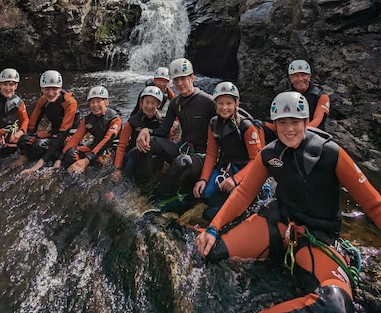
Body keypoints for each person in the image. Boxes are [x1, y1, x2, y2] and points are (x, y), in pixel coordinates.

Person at [196, 91, 381, 313]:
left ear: (306, 121)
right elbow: (244, 193)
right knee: (212, 253)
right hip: (278, 223)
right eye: (282, 123)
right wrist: (213, 228)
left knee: (335, 307)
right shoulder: (269, 154)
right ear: (274, 124)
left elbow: (373, 205)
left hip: (316, 237)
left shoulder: (331, 153)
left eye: (295, 122)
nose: (289, 129)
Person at [136, 58, 216, 197]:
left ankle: (162, 196)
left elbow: (231, 115)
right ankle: (144, 185)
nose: (179, 83)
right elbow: (163, 131)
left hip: (201, 154)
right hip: (182, 147)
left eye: (183, 79)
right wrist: (146, 130)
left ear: (192, 78)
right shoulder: (175, 103)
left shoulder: (207, 101)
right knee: (149, 142)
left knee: (182, 162)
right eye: (176, 80)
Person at [193, 81, 262, 219]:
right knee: (204, 194)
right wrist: (203, 179)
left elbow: (256, 160)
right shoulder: (213, 124)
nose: (225, 107)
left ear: (236, 104)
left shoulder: (246, 126)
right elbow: (212, 153)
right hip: (226, 166)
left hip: (245, 169)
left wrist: (235, 180)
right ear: (215, 105)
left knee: (222, 207)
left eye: (229, 103)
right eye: (221, 103)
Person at [18, 70, 80, 175]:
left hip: (69, 136)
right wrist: (25, 151)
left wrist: (38, 165)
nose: (50, 93)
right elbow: (32, 126)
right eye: (47, 89)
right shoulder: (42, 101)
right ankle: (31, 156)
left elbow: (63, 133)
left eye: (54, 89)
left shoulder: (70, 102)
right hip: (54, 134)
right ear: (42, 89)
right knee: (24, 140)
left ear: (60, 88)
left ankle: (56, 160)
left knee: (39, 145)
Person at [58, 85, 122, 174]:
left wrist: (87, 160)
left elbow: (107, 140)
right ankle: (77, 174)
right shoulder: (87, 120)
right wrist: (59, 160)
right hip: (94, 151)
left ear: (106, 102)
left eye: (98, 101)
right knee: (70, 152)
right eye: (92, 102)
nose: (95, 105)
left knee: (99, 167)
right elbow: (74, 139)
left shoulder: (115, 119)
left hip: (110, 151)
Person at [113, 85, 165, 182]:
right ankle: (126, 183)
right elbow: (121, 146)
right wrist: (117, 169)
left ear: (158, 105)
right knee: (136, 151)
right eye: (147, 102)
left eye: (153, 103)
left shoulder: (162, 123)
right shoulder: (133, 121)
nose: (149, 106)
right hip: (132, 156)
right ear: (141, 103)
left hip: (150, 158)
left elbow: (167, 143)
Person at [288, 59, 330, 130]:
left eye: (303, 75)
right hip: (292, 134)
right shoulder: (286, 97)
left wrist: (300, 132)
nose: (300, 79)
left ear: (309, 77)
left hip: (316, 137)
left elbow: (318, 119)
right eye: (296, 76)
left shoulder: (321, 97)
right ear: (291, 78)